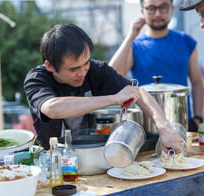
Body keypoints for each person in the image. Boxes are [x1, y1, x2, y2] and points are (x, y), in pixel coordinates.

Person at [24, 23, 182, 154]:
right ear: (50, 66)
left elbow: (138, 92)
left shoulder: (96, 70)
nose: (82, 72)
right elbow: (52, 108)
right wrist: (113, 99)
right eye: (73, 69)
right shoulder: (37, 79)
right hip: (53, 158)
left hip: (96, 155)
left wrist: (165, 128)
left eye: (86, 63)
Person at [109, 0, 204, 132]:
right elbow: (110, 76)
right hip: (147, 124)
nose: (158, 13)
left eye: (163, 7)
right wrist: (130, 36)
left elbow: (197, 83)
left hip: (182, 120)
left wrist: (197, 117)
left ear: (171, 9)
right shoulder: (135, 45)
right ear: (143, 11)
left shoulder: (186, 41)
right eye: (151, 8)